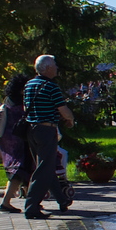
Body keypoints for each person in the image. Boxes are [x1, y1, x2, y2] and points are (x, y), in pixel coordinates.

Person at [22, 55, 75, 220]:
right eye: (55, 65)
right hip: (46, 130)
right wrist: (70, 119)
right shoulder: (51, 86)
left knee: (46, 166)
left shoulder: (29, 84)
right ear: (47, 68)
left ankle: (62, 199)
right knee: (43, 169)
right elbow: (63, 109)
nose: (57, 68)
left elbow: (26, 106)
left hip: (31, 129)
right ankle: (31, 207)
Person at [0, 76, 31, 214]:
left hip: (8, 141)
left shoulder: (7, 102)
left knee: (20, 171)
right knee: (20, 172)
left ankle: (31, 202)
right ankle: (7, 202)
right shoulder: (21, 104)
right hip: (20, 140)